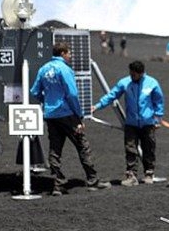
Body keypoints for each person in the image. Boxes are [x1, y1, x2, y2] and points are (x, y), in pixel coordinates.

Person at [31, 42, 111, 196]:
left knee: (55, 149)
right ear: (62, 53)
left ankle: (57, 185)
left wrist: (47, 100)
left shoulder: (43, 69)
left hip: (51, 115)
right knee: (82, 145)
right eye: (69, 53)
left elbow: (35, 91)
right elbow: (72, 94)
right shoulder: (65, 69)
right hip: (67, 114)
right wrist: (78, 115)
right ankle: (93, 180)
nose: (70, 56)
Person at [92, 61, 165, 186]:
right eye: (131, 74)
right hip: (131, 123)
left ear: (141, 73)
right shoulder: (125, 83)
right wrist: (97, 106)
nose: (132, 76)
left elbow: (159, 102)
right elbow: (112, 95)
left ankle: (149, 173)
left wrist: (157, 119)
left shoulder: (152, 83)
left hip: (148, 123)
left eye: (134, 75)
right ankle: (131, 175)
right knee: (130, 149)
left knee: (149, 148)